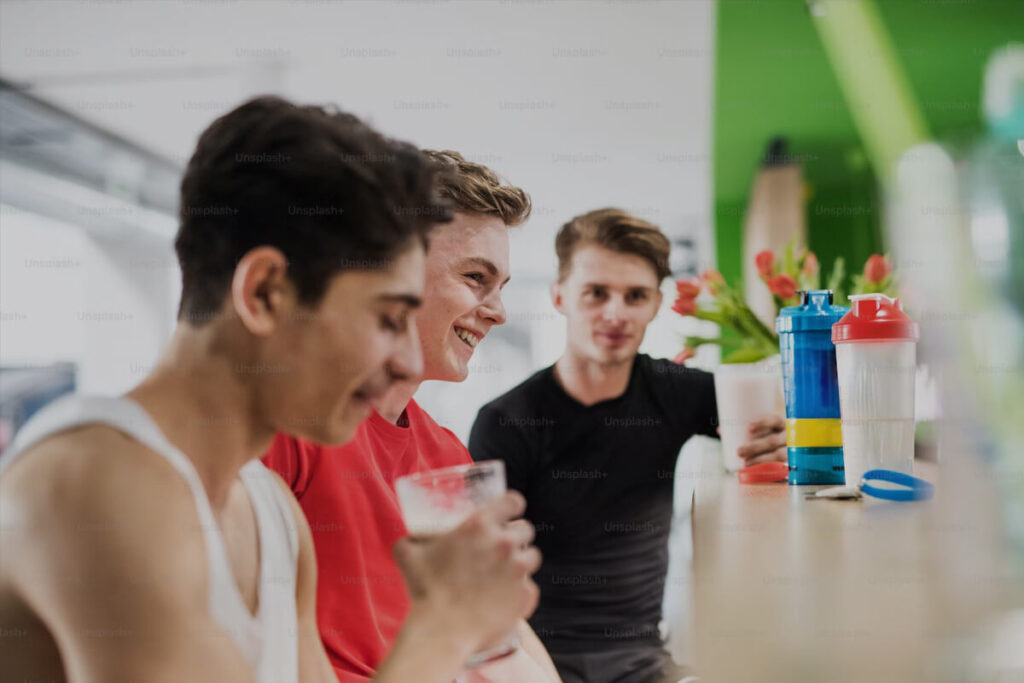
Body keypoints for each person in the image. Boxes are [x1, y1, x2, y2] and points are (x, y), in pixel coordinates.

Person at [0, 97, 540, 683]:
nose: (406, 360)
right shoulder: (93, 482)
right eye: (386, 318)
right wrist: (446, 625)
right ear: (264, 294)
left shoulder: (272, 513)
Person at [262, 150, 561, 682]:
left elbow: (498, 625)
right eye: (475, 277)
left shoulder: (447, 453)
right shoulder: (287, 430)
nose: (498, 311)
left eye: (502, 287)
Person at [468, 208, 786, 683]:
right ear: (559, 297)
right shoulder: (505, 422)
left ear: (656, 304)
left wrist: (783, 439)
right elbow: (479, 584)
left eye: (634, 296)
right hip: (536, 660)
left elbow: (769, 423)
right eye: (596, 293)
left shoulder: (675, 392)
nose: (615, 313)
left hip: (643, 659)